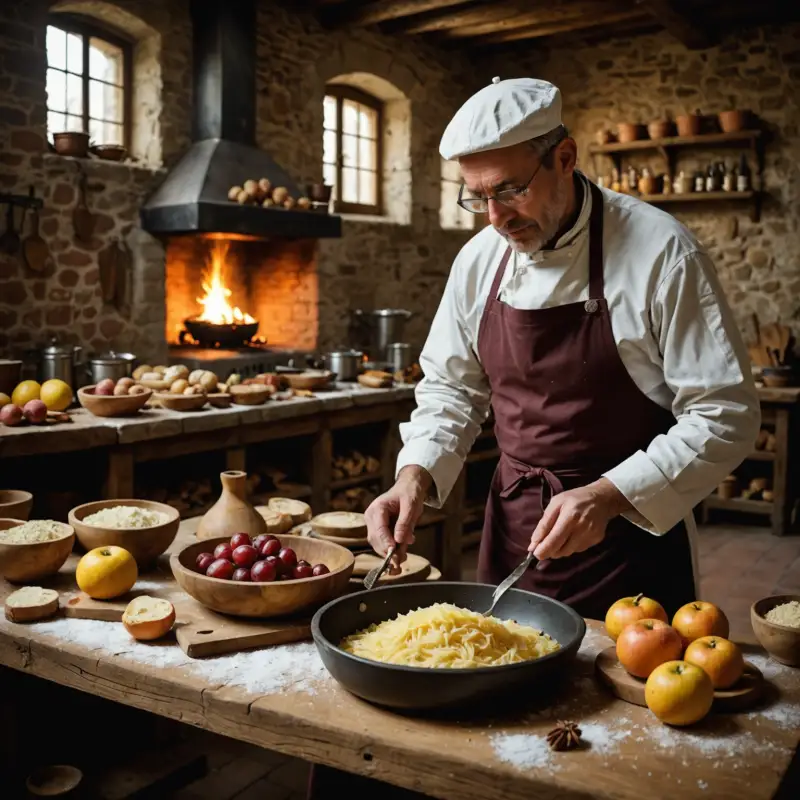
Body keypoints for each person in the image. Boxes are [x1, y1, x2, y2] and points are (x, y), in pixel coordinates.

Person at [364, 76, 761, 620]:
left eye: (509, 189)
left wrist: (607, 496)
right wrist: (415, 474)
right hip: (513, 531)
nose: (495, 218)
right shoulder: (479, 261)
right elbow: (451, 387)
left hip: (629, 542)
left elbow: (725, 414)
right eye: (477, 197)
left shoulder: (661, 251)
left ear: (565, 157)